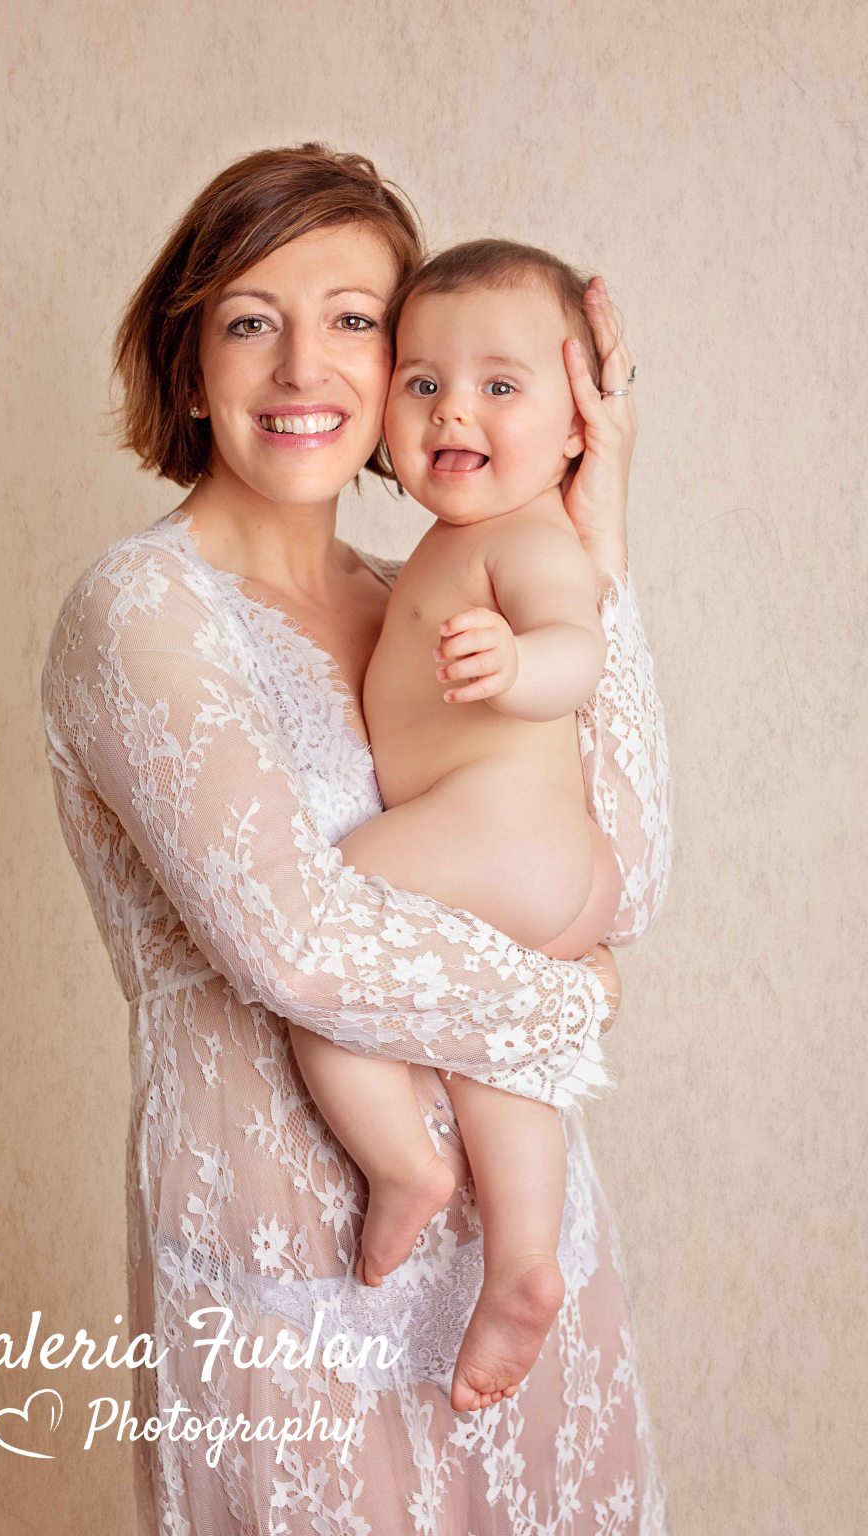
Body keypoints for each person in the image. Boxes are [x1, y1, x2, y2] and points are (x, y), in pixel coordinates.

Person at [41, 143, 672, 1535]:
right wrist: (566, 997)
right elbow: (299, 939)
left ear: (407, 365)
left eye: (354, 322)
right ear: (191, 362)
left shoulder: (430, 593)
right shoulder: (142, 616)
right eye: (251, 321)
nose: (302, 368)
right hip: (294, 1284)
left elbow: (625, 860)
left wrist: (595, 498)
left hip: (524, 1264)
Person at [286, 236, 631, 1416]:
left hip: (499, 831)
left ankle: (404, 1166)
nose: (452, 410)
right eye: (422, 382)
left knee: (316, 938)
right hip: (526, 868)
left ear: (576, 423)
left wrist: (514, 662)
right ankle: (522, 1263)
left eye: (499, 385)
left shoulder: (527, 538)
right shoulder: (439, 544)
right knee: (499, 1053)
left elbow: (582, 652)